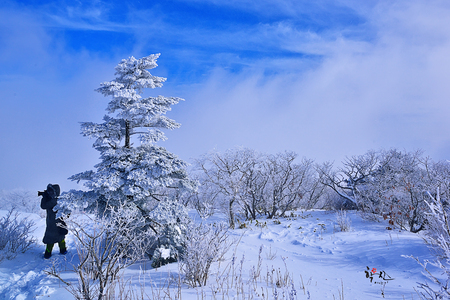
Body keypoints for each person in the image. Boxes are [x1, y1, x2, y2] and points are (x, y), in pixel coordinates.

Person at [39, 184, 68, 259]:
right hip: (56, 223)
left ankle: (48, 254)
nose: (50, 193)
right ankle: (63, 251)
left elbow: (43, 206)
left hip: (53, 223)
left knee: (51, 239)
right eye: (49, 192)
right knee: (60, 238)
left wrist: (44, 197)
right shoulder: (59, 199)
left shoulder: (54, 200)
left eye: (51, 192)